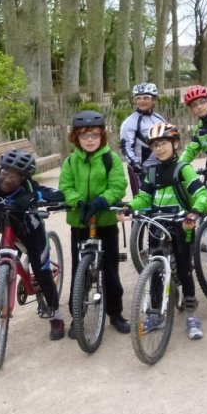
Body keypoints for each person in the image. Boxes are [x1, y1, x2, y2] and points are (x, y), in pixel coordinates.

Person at [0, 149, 66, 347]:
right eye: (4, 172)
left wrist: (35, 196)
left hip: (32, 233)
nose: (6, 179)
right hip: (8, 232)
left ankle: (56, 315)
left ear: (23, 178)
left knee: (42, 273)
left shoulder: (28, 186)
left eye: (14, 176)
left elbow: (58, 194)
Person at [124, 123, 207, 340]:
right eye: (154, 145)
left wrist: (195, 212)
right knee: (155, 270)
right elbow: (144, 197)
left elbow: (201, 195)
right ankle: (155, 313)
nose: (159, 148)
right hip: (157, 224)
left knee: (183, 269)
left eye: (163, 143)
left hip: (181, 224)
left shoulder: (183, 169)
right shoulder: (151, 172)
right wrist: (130, 206)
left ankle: (191, 313)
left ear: (175, 144)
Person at [59, 111, 130, 337]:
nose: (90, 140)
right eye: (84, 136)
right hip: (80, 222)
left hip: (105, 221)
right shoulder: (71, 161)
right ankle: (77, 316)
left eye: (94, 135)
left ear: (102, 137)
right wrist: (77, 201)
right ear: (76, 138)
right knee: (79, 271)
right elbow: (65, 187)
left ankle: (115, 313)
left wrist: (102, 201)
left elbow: (118, 185)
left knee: (110, 270)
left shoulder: (112, 159)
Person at [120, 82, 167, 195]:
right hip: (141, 170)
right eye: (138, 98)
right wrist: (135, 164)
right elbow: (125, 146)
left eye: (146, 97)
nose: (141, 101)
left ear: (154, 100)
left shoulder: (160, 119)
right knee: (143, 205)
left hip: (161, 167)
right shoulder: (130, 122)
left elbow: (167, 141)